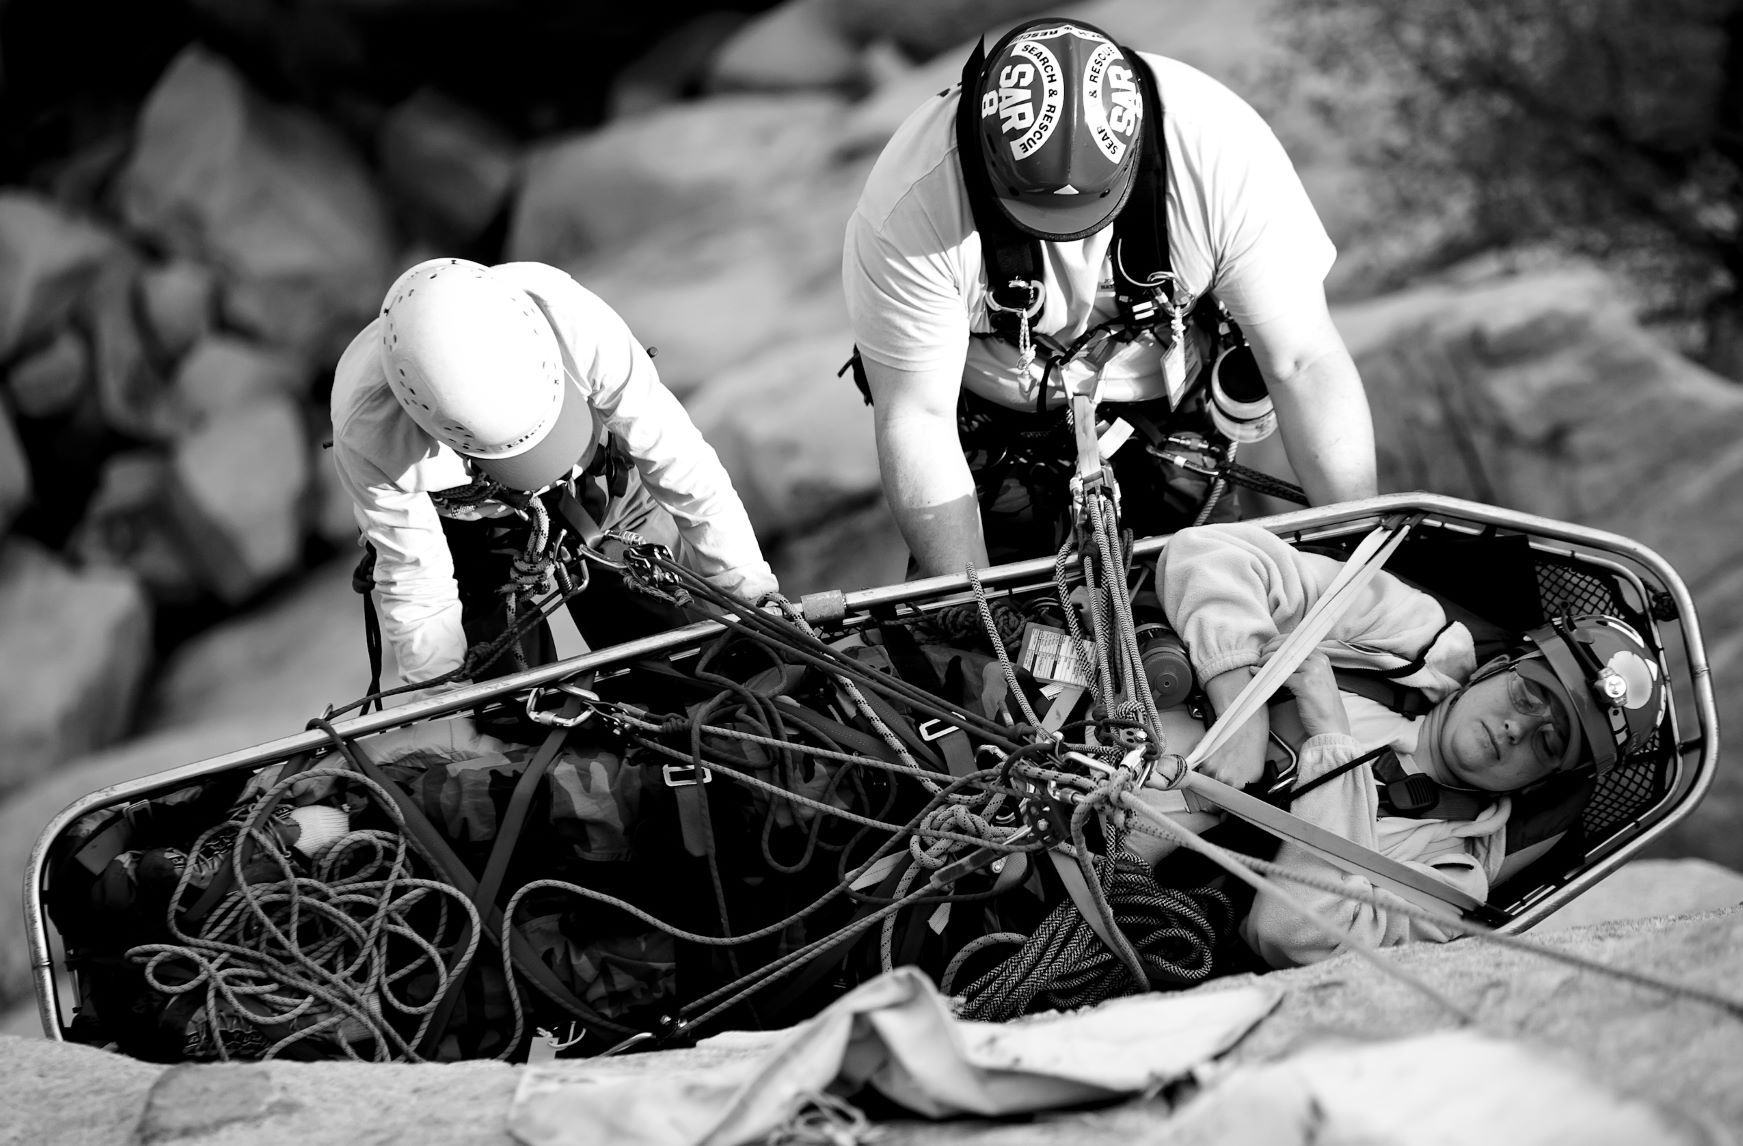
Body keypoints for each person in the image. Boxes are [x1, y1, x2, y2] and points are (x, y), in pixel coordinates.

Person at [843, 16, 1376, 577]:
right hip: (989, 434)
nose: (1063, 237)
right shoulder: (911, 202)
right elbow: (919, 420)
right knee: (984, 650)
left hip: (1171, 421)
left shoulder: (1218, 150)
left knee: (1220, 602)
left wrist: (1358, 555)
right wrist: (977, 609)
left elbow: (1301, 361)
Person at [1154, 523, 1666, 967]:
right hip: (1100, 704)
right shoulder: (1408, 634)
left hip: (1125, 898)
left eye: (1548, 742)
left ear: (1545, 782)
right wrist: (1243, 713)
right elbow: (1209, 553)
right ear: (1496, 667)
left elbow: (1296, 938)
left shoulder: (1453, 876)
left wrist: (1334, 744)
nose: (1517, 729)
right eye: (1527, 695)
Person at [330, 258, 778, 700]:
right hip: (468, 539)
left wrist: (750, 591)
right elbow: (416, 579)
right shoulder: (369, 429)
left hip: (601, 484)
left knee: (686, 659)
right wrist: (441, 703)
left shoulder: (567, 314)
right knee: (503, 712)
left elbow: (677, 458)